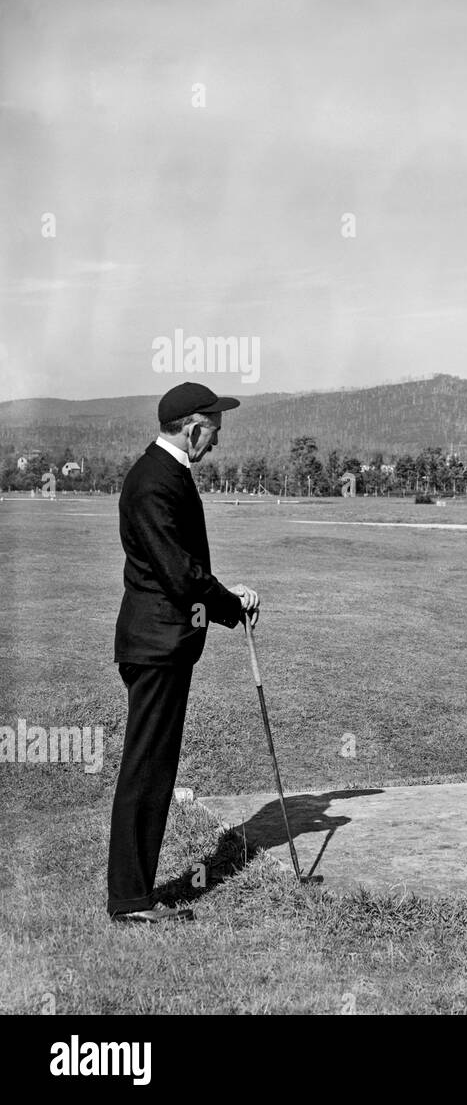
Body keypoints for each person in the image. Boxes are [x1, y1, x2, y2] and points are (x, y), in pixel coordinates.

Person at [108, 382, 260, 923]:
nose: (215, 442)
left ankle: (134, 895)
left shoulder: (167, 474)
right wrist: (231, 606)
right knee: (146, 770)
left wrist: (224, 596)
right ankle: (130, 901)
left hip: (165, 645)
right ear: (193, 427)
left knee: (153, 767)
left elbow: (184, 570)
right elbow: (179, 574)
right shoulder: (154, 481)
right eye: (213, 431)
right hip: (156, 646)